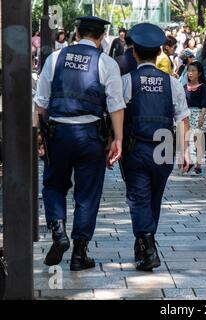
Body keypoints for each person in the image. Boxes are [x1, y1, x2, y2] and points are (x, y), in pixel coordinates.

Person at [34, 16, 125, 271]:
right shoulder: (105, 62)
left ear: (76, 34)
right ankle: (79, 254)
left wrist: (40, 134)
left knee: (53, 185)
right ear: (101, 37)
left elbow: (40, 101)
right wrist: (117, 138)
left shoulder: (55, 59)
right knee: (87, 194)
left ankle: (58, 229)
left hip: (58, 133)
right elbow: (116, 104)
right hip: (90, 137)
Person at [121, 23, 190, 271]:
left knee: (138, 198)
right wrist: (185, 152)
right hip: (165, 149)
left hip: (135, 149)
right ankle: (145, 244)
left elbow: (116, 113)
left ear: (135, 53)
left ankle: (147, 244)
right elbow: (183, 118)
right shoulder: (172, 83)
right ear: (160, 51)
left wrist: (114, 143)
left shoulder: (127, 81)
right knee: (154, 199)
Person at [183, 61, 206, 175]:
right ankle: (189, 162)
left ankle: (198, 165)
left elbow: (204, 103)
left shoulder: (203, 87)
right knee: (186, 141)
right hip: (186, 116)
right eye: (189, 71)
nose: (190, 73)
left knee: (197, 141)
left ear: (199, 73)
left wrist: (202, 117)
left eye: (193, 71)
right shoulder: (184, 87)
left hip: (198, 114)